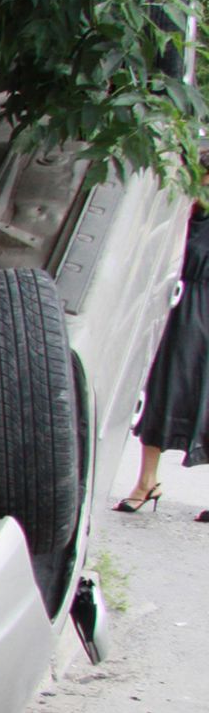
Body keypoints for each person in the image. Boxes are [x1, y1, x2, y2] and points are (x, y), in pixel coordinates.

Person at [118, 206, 209, 515]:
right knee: (161, 389)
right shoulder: (178, 210)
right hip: (173, 308)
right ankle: (147, 481)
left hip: (201, 308)